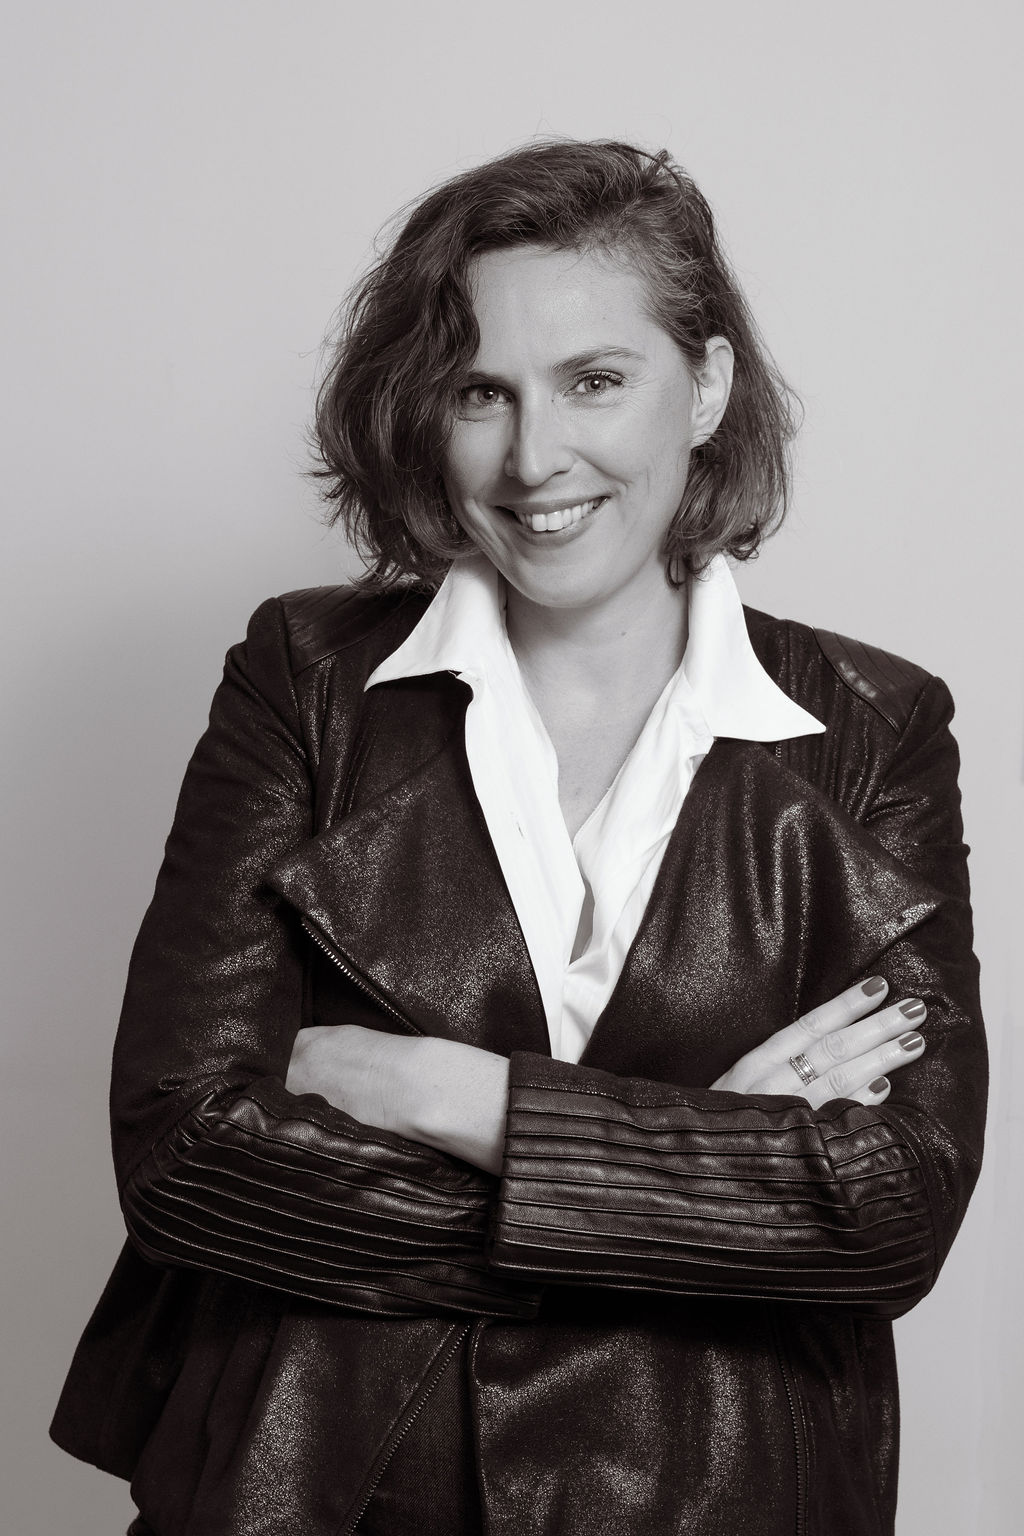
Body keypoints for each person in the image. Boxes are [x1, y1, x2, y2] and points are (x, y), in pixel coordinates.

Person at [51, 140, 986, 1536]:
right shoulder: (305, 682)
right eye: (481, 392)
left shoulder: (871, 727)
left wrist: (456, 1097)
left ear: (707, 387)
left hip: (721, 1491)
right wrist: (697, 1171)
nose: (535, 456)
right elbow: (187, 1157)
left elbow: (891, 1212)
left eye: (595, 380)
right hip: (319, 1490)